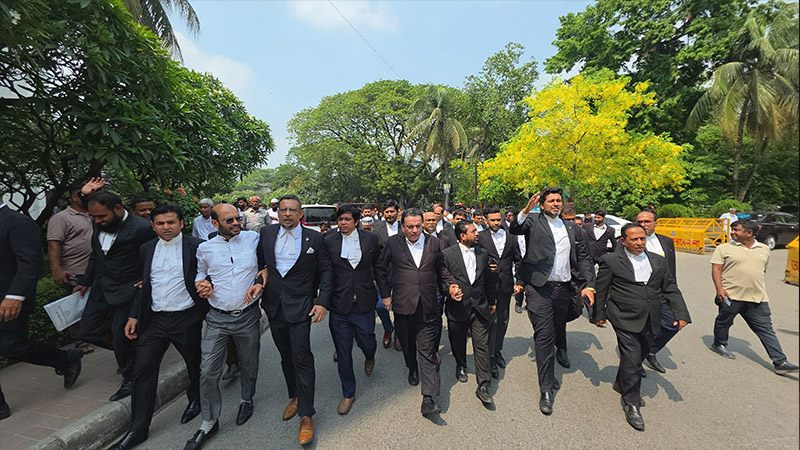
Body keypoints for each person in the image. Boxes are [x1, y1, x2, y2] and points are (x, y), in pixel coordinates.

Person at [110, 204, 208, 450]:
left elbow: (210, 274)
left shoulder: (196, 247)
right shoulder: (146, 249)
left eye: (171, 222)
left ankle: (195, 400)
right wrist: (134, 315)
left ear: (181, 224)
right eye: (160, 223)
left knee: (194, 362)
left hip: (186, 316)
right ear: (153, 226)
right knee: (143, 370)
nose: (166, 227)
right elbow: (143, 285)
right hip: (154, 320)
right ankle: (138, 429)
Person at [593, 223, 690, 431]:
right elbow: (601, 290)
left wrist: (681, 313)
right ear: (623, 241)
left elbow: (671, 288)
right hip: (623, 316)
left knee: (641, 354)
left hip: (651, 316)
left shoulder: (658, 260)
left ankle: (621, 383)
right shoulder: (611, 261)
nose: (639, 243)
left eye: (642, 238)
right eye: (634, 239)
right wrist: (598, 315)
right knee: (632, 358)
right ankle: (632, 403)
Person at [183, 204, 264, 450]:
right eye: (230, 220)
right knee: (208, 370)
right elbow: (200, 274)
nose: (237, 223)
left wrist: (260, 282)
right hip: (217, 318)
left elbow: (266, 266)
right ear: (215, 223)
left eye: (238, 218)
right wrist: (202, 285)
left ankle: (246, 399)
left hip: (248, 316)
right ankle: (209, 421)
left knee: (249, 362)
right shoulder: (205, 248)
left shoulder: (254, 239)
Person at [509, 187, 595, 415]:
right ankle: (546, 389)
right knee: (545, 337)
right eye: (551, 201)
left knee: (556, 328)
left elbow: (585, 258)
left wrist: (590, 285)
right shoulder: (533, 221)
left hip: (563, 289)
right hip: (539, 288)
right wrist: (526, 210)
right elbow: (515, 228)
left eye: (558, 200)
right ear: (542, 205)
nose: (555, 204)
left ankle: (551, 361)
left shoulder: (572, 228)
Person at [257, 195, 332, 445]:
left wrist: (322, 302)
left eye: (292, 210)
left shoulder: (315, 238)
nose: (287, 214)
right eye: (283, 210)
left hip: (301, 307)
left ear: (301, 214)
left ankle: (306, 415)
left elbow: (326, 271)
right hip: (274, 306)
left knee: (302, 357)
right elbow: (260, 263)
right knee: (286, 356)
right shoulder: (266, 234)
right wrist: (260, 276)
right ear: (277, 213)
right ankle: (296, 396)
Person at [0, 199, 83, 420]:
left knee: (10, 346)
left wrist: (15, 296)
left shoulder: (16, 221)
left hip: (9, 299)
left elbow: (30, 262)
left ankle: (66, 358)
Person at [74, 179, 155, 402]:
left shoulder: (142, 228)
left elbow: (153, 255)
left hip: (129, 289)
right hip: (102, 287)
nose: (97, 221)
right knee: (87, 332)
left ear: (118, 209)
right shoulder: (99, 224)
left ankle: (130, 377)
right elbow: (96, 255)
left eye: (101, 216)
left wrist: (146, 279)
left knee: (120, 334)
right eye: (94, 217)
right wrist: (85, 281)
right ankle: (137, 351)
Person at [376, 208, 457, 417]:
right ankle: (412, 367)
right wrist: (385, 295)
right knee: (407, 343)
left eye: (418, 226)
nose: (414, 230)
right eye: (410, 227)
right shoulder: (392, 244)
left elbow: (442, 270)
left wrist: (451, 286)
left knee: (428, 350)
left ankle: (429, 398)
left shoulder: (435, 243)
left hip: (428, 304)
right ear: (402, 226)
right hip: (403, 304)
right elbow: (381, 269)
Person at [709, 220, 799, 374]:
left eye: (736, 230)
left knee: (766, 329)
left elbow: (761, 270)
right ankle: (719, 343)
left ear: (749, 233)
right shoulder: (724, 248)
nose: (732, 233)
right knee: (724, 322)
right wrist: (719, 289)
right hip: (731, 295)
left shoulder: (764, 249)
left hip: (757, 297)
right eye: (732, 230)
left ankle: (780, 362)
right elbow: (716, 269)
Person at [321, 205, 379, 415]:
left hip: (364, 302)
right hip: (339, 305)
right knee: (343, 351)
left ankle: (370, 356)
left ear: (356, 221)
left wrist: (386, 294)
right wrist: (320, 301)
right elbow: (325, 272)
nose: (343, 223)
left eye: (347, 219)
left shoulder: (370, 239)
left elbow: (378, 267)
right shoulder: (329, 241)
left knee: (367, 341)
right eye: (340, 219)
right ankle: (348, 393)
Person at [441, 220, 496, 407]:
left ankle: (484, 385)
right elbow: (441, 281)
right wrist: (449, 290)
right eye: (473, 231)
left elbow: (488, 280)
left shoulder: (483, 253)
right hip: (458, 307)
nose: (477, 233)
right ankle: (461, 364)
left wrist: (492, 301)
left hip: (479, 306)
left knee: (482, 345)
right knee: (457, 340)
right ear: (463, 236)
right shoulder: (447, 255)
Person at [633, 208, 680, 374]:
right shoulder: (628, 241)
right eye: (640, 222)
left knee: (672, 325)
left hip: (662, 291)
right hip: (639, 293)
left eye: (647, 221)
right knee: (642, 329)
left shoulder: (666, 242)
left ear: (655, 223)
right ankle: (635, 363)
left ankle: (650, 351)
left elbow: (671, 268)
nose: (643, 224)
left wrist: (673, 291)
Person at [478, 206, 521, 378]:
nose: (496, 223)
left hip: (505, 286)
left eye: (498, 219)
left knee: (502, 320)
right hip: (486, 286)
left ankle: (497, 350)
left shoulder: (511, 237)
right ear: (486, 220)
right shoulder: (480, 237)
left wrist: (520, 282)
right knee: (490, 321)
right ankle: (488, 357)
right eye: (493, 220)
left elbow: (518, 260)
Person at [47, 182, 92, 287]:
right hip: (74, 272)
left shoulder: (95, 215)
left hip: (95, 270)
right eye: (84, 195)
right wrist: (56, 269)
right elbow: (53, 245)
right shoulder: (61, 218)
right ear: (74, 197)